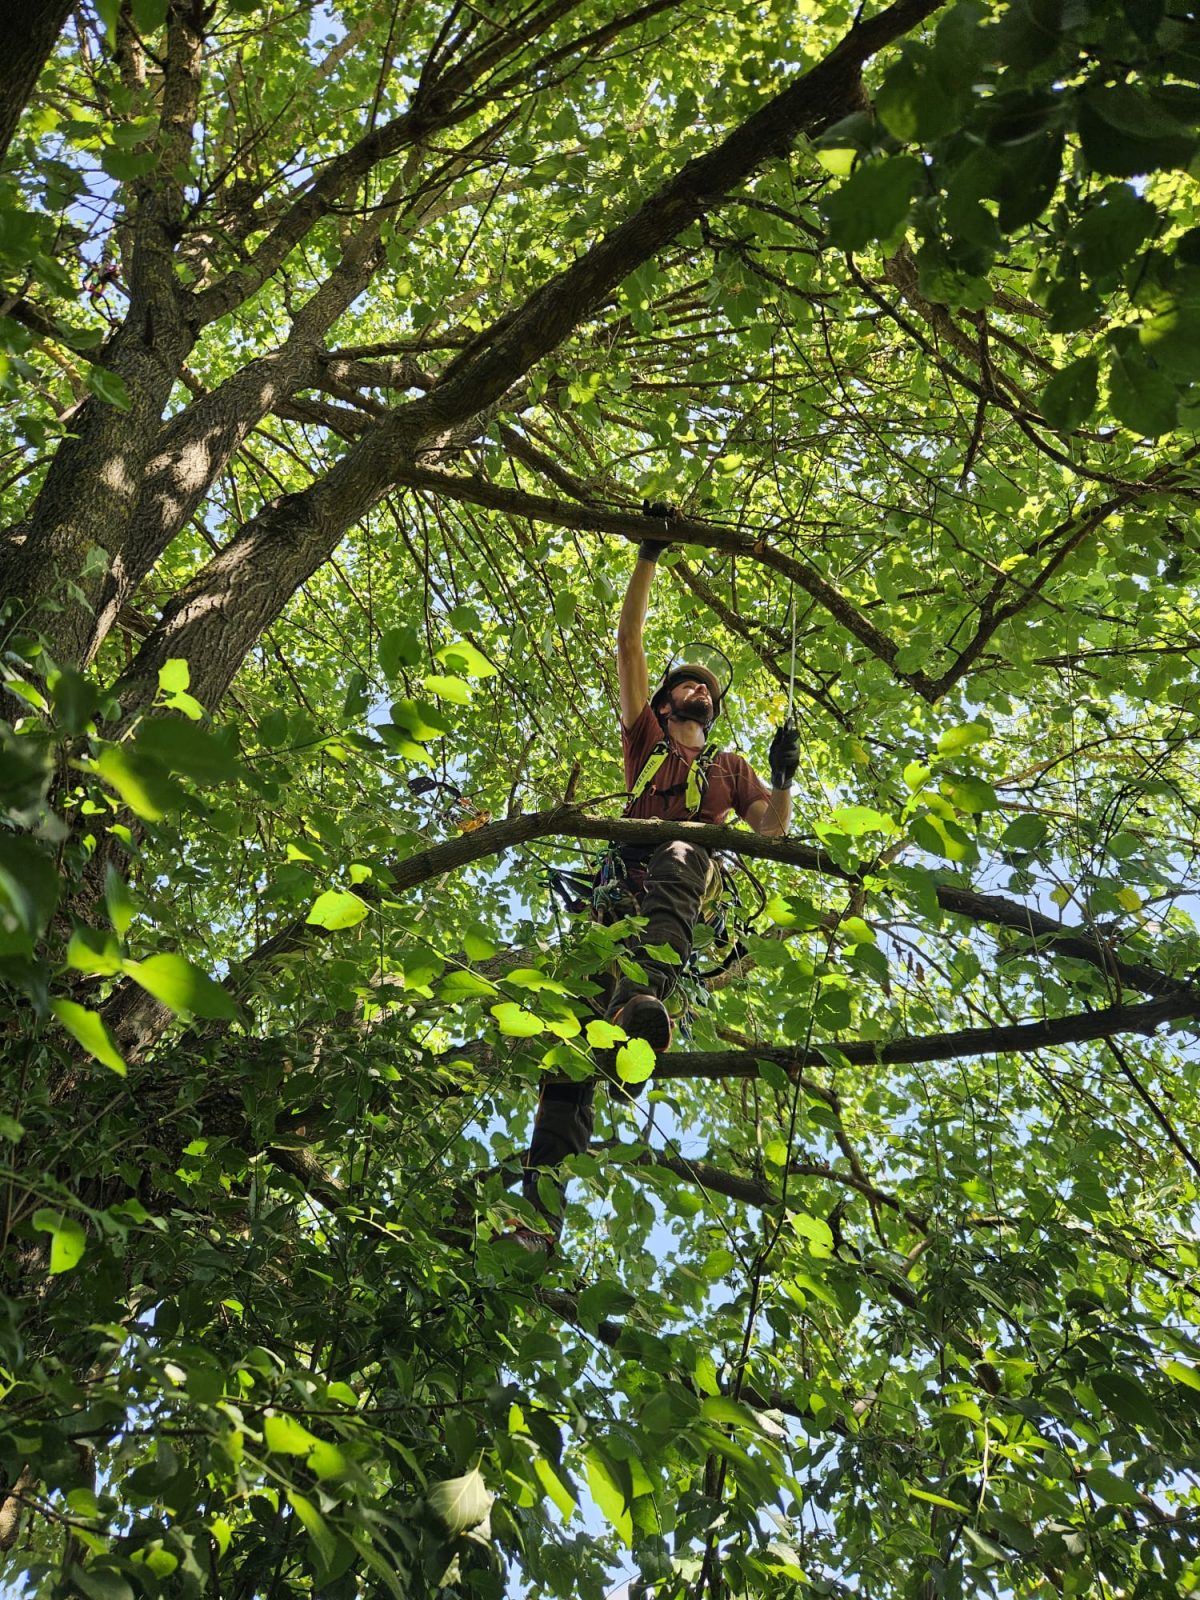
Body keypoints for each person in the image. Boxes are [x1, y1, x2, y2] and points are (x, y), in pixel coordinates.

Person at [516, 522, 800, 1246]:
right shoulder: (645, 738)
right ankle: (536, 1219)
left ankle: (641, 1001)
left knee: (680, 852)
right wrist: (649, 553)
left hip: (680, 886)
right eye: (686, 682)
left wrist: (788, 774)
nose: (697, 686)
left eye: (706, 685)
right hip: (616, 897)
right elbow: (630, 647)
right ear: (670, 701)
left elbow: (770, 833)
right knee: (569, 1055)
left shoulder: (731, 769)